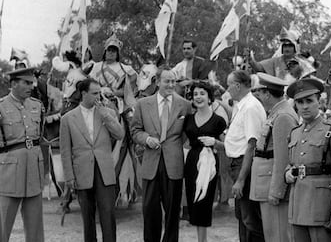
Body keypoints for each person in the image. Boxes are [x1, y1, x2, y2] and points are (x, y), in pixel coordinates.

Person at [130, 65, 192, 242]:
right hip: (151, 163)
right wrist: (146, 138)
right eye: (167, 81)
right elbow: (135, 130)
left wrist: (175, 147)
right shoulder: (143, 104)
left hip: (174, 164)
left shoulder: (184, 105)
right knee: (149, 210)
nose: (171, 85)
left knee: (172, 212)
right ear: (157, 82)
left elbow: (188, 132)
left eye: (173, 81)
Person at [60, 78, 124, 242]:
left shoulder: (107, 112)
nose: (99, 96)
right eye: (95, 93)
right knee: (87, 217)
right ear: (83, 94)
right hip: (82, 172)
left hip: (104, 171)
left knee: (108, 213)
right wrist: (69, 177)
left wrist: (106, 116)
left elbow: (120, 134)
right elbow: (65, 151)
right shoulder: (67, 119)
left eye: (100, 93)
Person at [285, 78, 331, 242]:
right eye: (299, 102)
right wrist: (288, 172)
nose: (304, 106)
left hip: (322, 206)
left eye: (309, 101)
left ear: (319, 102)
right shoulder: (295, 132)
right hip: (297, 204)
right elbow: (290, 163)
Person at [250, 73, 299, 242]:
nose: (259, 96)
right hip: (266, 183)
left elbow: (283, 157)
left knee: (278, 235)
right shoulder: (276, 113)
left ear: (267, 94)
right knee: (271, 234)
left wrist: (277, 191)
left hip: (272, 184)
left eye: (260, 92)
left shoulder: (283, 116)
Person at [0, 67, 45, 242]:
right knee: (3, 224)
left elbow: (39, 137)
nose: (31, 87)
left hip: (34, 169)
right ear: (13, 84)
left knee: (35, 228)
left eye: (31, 83)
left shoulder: (37, 106)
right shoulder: (1, 107)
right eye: (26, 83)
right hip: (9, 172)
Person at [224, 70, 266, 242]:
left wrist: (241, 179)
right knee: (242, 216)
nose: (227, 89)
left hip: (244, 165)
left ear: (237, 85)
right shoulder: (241, 105)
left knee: (250, 218)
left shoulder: (250, 107)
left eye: (229, 85)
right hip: (238, 163)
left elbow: (252, 145)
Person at [183, 81, 227, 242]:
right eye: (195, 94)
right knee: (193, 201)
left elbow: (227, 146)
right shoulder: (187, 119)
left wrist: (214, 142)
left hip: (209, 164)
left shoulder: (218, 121)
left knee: (204, 202)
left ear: (209, 97)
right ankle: (199, 238)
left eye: (202, 93)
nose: (198, 97)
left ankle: (203, 240)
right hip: (192, 162)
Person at [89, 34, 139, 111]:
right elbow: (90, 84)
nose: (111, 53)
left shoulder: (126, 69)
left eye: (114, 51)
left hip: (118, 101)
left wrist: (118, 93)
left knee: (131, 118)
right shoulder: (96, 67)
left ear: (117, 53)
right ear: (105, 52)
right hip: (98, 99)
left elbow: (133, 84)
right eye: (109, 50)